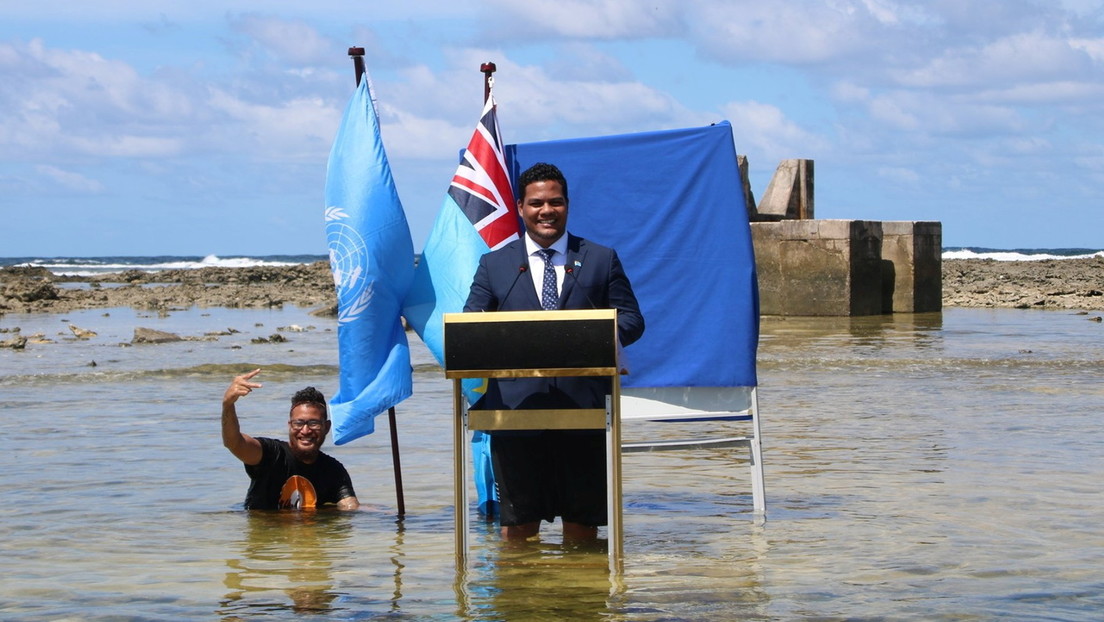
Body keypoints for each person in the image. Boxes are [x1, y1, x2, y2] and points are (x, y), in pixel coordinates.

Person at [464, 162, 645, 541]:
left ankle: (577, 598)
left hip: (584, 410)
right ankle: (522, 600)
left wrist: (590, 341)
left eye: (556, 202)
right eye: (537, 203)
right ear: (520, 207)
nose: (547, 210)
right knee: (517, 529)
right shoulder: (495, 264)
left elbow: (631, 320)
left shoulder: (599, 258)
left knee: (582, 528)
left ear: (567, 205)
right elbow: (471, 324)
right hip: (514, 413)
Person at [221, 368, 359, 510]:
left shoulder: (333, 470)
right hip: (265, 529)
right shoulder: (271, 455)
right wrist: (228, 405)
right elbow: (234, 443)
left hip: (308, 530)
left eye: (314, 423)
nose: (305, 431)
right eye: (299, 423)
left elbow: (350, 508)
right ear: (290, 425)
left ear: (327, 427)